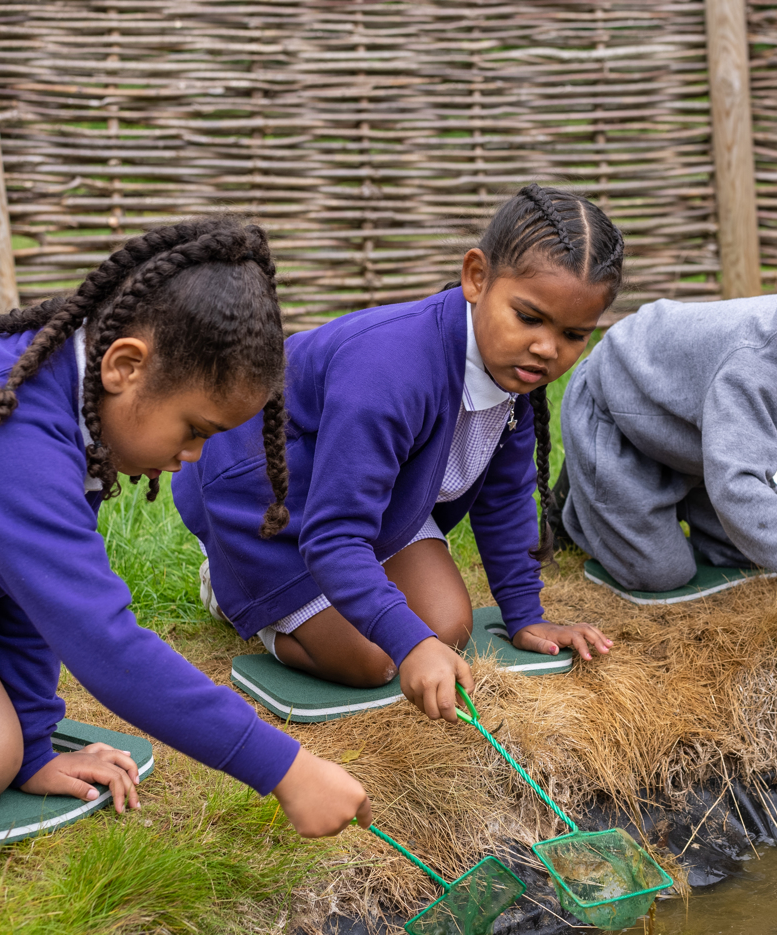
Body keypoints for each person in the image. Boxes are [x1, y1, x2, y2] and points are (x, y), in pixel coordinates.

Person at [0, 217, 369, 837]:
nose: (196, 455)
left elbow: (30, 594)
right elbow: (103, 642)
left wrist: (33, 746)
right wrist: (286, 769)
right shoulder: (5, 431)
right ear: (125, 366)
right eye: (195, 430)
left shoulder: (80, 417)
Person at [180, 186, 619, 719]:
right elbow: (334, 532)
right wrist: (409, 645)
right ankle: (234, 591)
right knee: (373, 659)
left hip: (369, 500)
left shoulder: (512, 382)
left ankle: (343, 599)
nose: (548, 348)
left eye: (574, 334)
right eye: (529, 317)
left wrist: (525, 616)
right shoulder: (389, 372)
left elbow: (503, 503)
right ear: (476, 277)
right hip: (265, 500)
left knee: (449, 626)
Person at [557, 230, 777, 632]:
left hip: (696, 439)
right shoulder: (751, 365)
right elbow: (737, 488)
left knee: (749, 553)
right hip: (620, 419)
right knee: (661, 573)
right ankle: (577, 508)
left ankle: (673, 494)